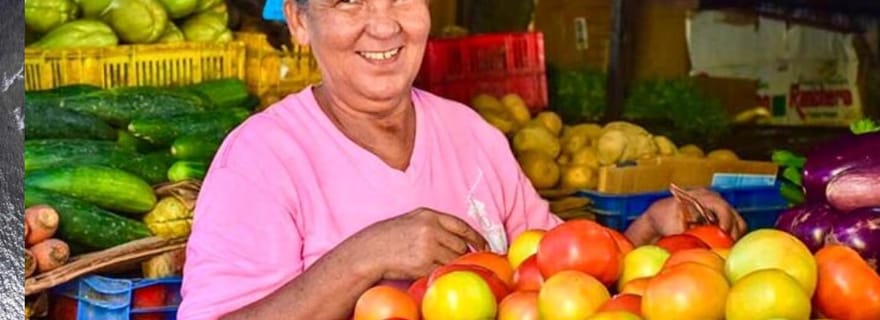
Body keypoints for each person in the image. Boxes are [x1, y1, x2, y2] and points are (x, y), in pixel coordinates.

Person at [177, 0, 747, 319]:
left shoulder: (472, 134)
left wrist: (652, 233)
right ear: (300, 22)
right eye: (348, 1)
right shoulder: (260, 159)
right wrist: (361, 260)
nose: (384, 23)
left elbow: (559, 277)